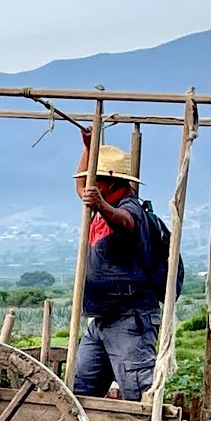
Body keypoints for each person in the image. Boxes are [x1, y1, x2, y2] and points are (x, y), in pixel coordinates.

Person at [72, 129, 161, 402]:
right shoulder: (98, 204)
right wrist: (90, 147)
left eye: (95, 181)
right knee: (79, 393)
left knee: (138, 394)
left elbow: (125, 221)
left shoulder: (129, 207)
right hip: (101, 319)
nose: (89, 186)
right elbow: (80, 188)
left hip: (130, 319)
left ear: (109, 184)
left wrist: (103, 207)